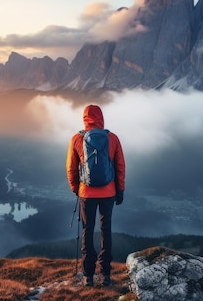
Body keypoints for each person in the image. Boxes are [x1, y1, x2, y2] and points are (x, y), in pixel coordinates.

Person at [66, 104, 126, 287]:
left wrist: (76, 188)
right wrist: (120, 190)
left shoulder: (77, 138)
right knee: (105, 230)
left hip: (87, 193)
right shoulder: (112, 138)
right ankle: (105, 274)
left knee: (87, 230)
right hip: (108, 193)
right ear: (101, 118)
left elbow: (70, 168)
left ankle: (88, 276)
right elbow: (120, 167)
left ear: (85, 119)